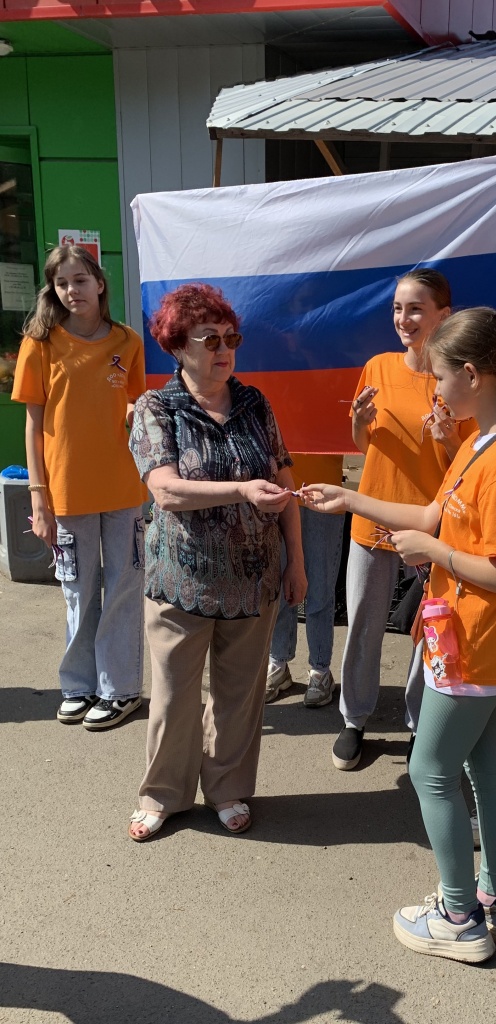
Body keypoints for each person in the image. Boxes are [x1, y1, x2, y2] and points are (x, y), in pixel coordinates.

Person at [303, 306, 496, 963]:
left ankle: (458, 916)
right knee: (488, 771)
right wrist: (350, 499)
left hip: (476, 645)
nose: (433, 388)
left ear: (472, 375)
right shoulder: (479, 442)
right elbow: (433, 513)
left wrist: (434, 554)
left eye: (439, 376)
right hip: (471, 642)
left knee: (429, 770)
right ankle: (495, 903)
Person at [126, 283, 306, 842]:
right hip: (181, 582)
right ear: (178, 346)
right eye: (210, 340)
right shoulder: (157, 408)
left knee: (239, 697)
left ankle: (228, 789)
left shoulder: (255, 404)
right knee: (174, 699)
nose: (224, 349)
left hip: (254, 580)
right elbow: (165, 490)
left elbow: (284, 481)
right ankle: (162, 795)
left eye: (231, 338)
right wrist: (242, 490)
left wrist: (296, 562)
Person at [334, 268, 470, 771]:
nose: (403, 318)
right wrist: (358, 422)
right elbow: (363, 445)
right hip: (372, 518)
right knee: (363, 626)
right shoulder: (378, 366)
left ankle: (418, 722)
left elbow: (468, 462)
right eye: (397, 308)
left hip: (429, 526)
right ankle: (354, 719)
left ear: (443, 315)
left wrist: (448, 440)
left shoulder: (458, 378)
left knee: (427, 628)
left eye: (415, 309)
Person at [12, 245, 146, 730]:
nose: (73, 290)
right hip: (67, 492)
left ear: (100, 283)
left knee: (124, 590)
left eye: (81, 280)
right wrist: (38, 494)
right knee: (78, 592)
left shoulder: (128, 342)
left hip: (124, 490)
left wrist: (132, 411)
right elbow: (34, 424)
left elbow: (137, 406)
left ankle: (120, 689)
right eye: (62, 283)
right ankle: (78, 686)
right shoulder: (40, 343)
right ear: (53, 289)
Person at [264, 452, 345, 708]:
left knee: (320, 588)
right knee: (279, 586)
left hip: (323, 490)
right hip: (279, 488)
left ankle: (320, 669)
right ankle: (278, 662)